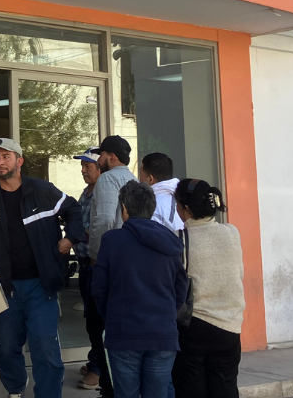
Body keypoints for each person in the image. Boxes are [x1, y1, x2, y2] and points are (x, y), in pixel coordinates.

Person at [0, 138, 84, 398]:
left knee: (45, 346)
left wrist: (70, 239)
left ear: (19, 161)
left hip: (41, 285)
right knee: (6, 348)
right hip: (2, 289)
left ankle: (48, 394)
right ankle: (15, 388)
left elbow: (74, 210)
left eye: (6, 157)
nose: (0, 162)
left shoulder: (42, 190)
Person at [92, 181, 187, 398]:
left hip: (124, 332)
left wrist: (110, 316)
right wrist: (168, 314)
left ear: (124, 208)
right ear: (151, 208)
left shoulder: (112, 240)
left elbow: (99, 288)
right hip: (163, 333)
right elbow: (181, 286)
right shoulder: (171, 241)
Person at [170, 179, 245, 398]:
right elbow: (239, 274)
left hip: (194, 327)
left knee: (191, 390)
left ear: (186, 208)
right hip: (230, 326)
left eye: (177, 204)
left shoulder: (180, 239)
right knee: (226, 388)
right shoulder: (232, 232)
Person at [82, 135, 136, 395]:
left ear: (111, 157)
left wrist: (95, 258)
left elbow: (103, 221)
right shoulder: (134, 181)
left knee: (98, 326)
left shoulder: (107, 179)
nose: (99, 159)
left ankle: (106, 384)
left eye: (101, 154)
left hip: (108, 263)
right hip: (129, 263)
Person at [71, 147, 112, 396]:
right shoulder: (86, 193)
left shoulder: (103, 194)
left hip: (98, 265)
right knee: (91, 320)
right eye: (82, 166)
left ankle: (99, 369)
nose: (83, 170)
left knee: (98, 321)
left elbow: (96, 229)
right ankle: (95, 358)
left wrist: (76, 231)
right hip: (85, 264)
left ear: (100, 168)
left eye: (88, 166)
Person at [140, 153, 184, 235]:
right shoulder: (186, 200)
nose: (139, 179)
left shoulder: (149, 207)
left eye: (140, 174)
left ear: (150, 179)